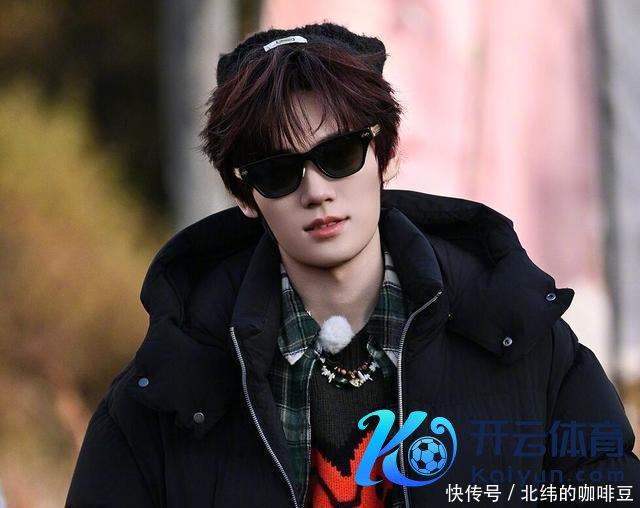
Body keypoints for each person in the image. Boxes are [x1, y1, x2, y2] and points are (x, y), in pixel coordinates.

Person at [66, 22, 639, 508]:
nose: (316, 191)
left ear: (382, 151)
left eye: (338, 154)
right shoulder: (166, 390)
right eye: (277, 172)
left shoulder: (522, 340)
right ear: (245, 195)